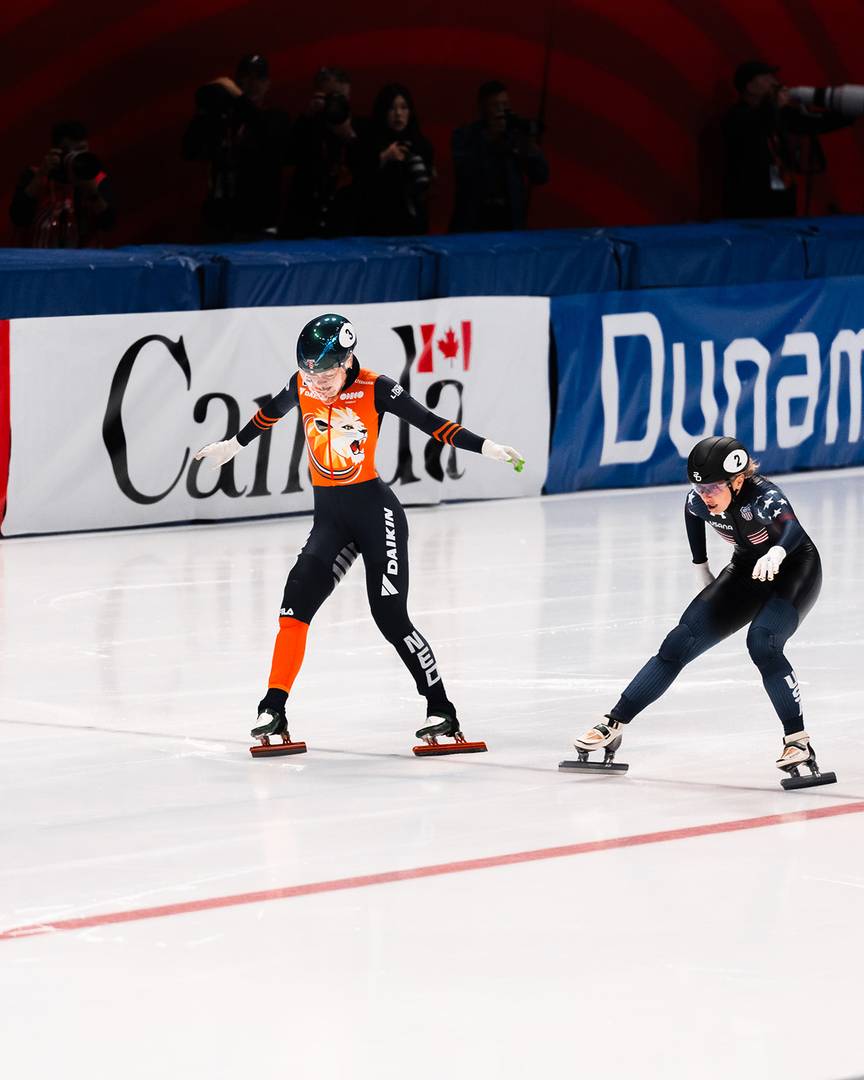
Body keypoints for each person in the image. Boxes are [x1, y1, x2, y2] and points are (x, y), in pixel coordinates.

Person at [193, 313, 524, 754]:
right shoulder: (302, 383)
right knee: (294, 607)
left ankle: (442, 710)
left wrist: (487, 447)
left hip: (376, 514)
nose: (318, 384)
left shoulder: (376, 387)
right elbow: (268, 416)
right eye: (310, 374)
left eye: (327, 374)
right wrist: (232, 446)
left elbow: (433, 424)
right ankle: (273, 707)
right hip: (329, 520)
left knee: (390, 616)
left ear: (348, 359)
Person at [571, 436, 835, 788]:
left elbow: (792, 528)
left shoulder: (763, 496)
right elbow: (691, 513)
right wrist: (701, 567)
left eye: (712, 487)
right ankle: (613, 724)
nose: (704, 494)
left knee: (763, 642)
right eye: (698, 485)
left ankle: (798, 742)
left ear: (737, 480)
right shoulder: (698, 500)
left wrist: (778, 553)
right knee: (679, 642)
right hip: (745, 570)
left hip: (795, 568)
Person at [722, 60, 853, 218]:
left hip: (782, 199)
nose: (775, 82)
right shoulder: (737, 117)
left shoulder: (781, 114)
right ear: (750, 87)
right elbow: (757, 124)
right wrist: (775, 106)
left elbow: (815, 123)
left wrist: (849, 110)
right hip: (751, 203)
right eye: (766, 78)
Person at [182, 54, 291, 241]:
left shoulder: (275, 118)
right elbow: (190, 150)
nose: (251, 83)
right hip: (220, 220)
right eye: (246, 77)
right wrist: (204, 112)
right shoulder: (224, 121)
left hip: (258, 221)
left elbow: (266, 135)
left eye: (258, 78)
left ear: (268, 84)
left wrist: (239, 98)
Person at [450, 80, 548, 233]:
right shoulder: (464, 136)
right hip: (475, 222)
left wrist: (528, 145)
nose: (502, 111)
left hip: (509, 221)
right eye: (495, 105)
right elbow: (464, 172)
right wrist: (491, 137)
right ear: (482, 108)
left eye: (505, 104)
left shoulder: (514, 136)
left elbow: (541, 176)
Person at [281, 67, 363, 238]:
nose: (336, 105)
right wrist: (307, 116)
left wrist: (350, 137)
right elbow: (287, 156)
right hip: (303, 222)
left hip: (342, 226)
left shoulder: (360, 128)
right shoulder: (307, 125)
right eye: (331, 98)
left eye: (342, 99)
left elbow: (367, 170)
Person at [9, 120, 115, 247]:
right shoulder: (36, 175)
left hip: (85, 261)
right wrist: (40, 177)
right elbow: (19, 218)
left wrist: (92, 193)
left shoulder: (97, 178)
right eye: (71, 152)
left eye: (82, 150)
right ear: (56, 151)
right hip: (39, 259)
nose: (77, 156)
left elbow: (109, 224)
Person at [356, 83, 434, 235]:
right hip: (377, 224)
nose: (398, 114)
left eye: (404, 108)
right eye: (392, 108)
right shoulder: (368, 142)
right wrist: (384, 157)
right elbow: (360, 180)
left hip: (413, 225)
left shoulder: (420, 144)